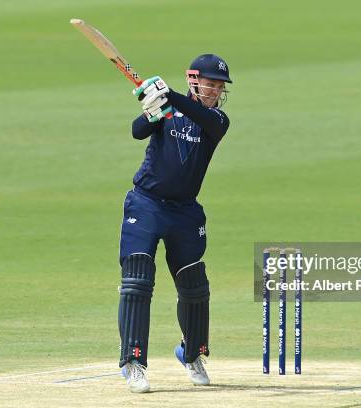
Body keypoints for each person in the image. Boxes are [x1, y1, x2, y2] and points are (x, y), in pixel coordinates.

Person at [117, 54, 232, 393]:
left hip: (185, 212)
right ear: (194, 79)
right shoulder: (167, 108)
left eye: (219, 86)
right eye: (210, 83)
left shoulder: (217, 120)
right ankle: (133, 362)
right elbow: (138, 132)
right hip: (147, 203)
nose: (214, 90)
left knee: (195, 287)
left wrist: (169, 95)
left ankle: (191, 353)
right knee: (138, 279)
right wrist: (152, 109)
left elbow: (199, 114)